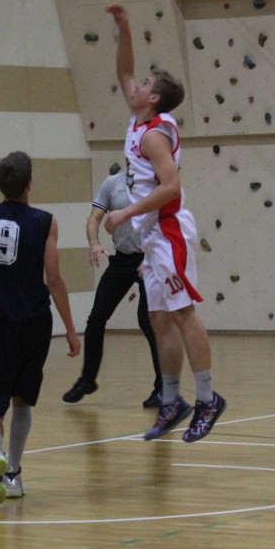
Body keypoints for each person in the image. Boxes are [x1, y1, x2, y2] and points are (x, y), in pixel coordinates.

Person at [104, 3, 225, 443]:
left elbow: (171, 186)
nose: (135, 85)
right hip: (153, 236)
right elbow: (124, 71)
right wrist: (124, 26)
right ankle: (171, 399)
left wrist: (126, 212)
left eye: (145, 85)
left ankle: (208, 397)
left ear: (153, 98)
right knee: (158, 317)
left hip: (169, 229)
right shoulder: (139, 118)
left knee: (183, 311)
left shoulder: (154, 133)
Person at [0, 151, 80, 504]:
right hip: (35, 325)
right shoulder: (45, 222)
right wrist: (71, 329)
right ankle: (12, 473)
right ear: (29, 184)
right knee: (23, 402)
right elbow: (54, 279)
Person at [62, 171, 163, 408]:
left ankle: (163, 388)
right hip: (122, 259)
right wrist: (94, 243)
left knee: (148, 320)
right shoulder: (112, 183)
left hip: (150, 259)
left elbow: (167, 223)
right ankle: (87, 380)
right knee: (96, 318)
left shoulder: (157, 181)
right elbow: (94, 218)